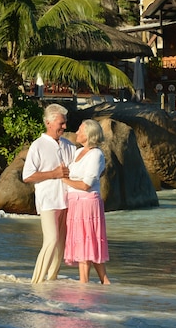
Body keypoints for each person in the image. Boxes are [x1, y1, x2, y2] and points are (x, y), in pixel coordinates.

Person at [23, 104, 75, 284]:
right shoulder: (38, 146)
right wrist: (54, 174)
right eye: (61, 123)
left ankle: (51, 281)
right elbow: (27, 176)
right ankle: (36, 282)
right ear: (48, 123)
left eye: (65, 123)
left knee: (61, 245)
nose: (65, 127)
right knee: (51, 240)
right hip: (48, 200)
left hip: (67, 200)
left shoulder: (69, 145)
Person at [63, 119, 111, 284]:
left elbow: (86, 184)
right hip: (76, 203)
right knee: (87, 242)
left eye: (80, 130)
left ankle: (84, 283)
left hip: (87, 203)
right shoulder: (78, 152)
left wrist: (63, 180)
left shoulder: (96, 154)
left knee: (86, 242)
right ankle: (105, 282)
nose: (76, 133)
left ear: (89, 134)